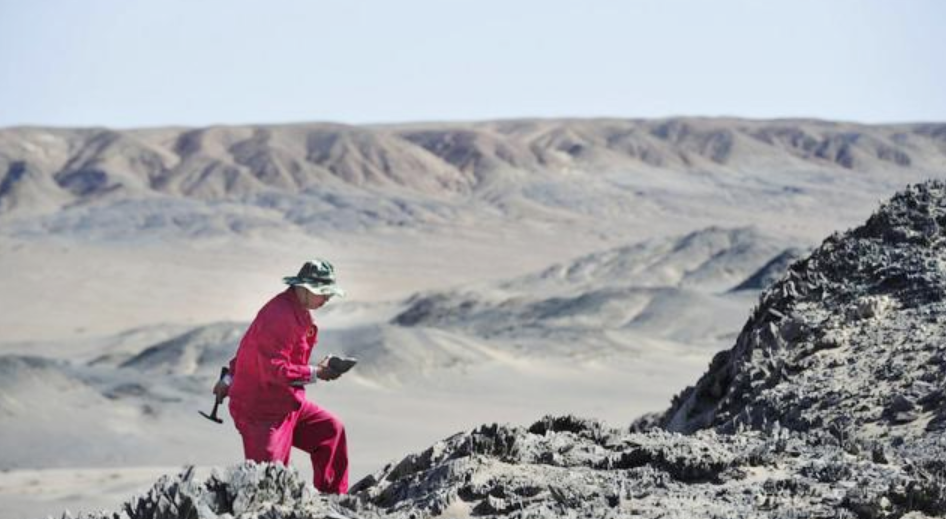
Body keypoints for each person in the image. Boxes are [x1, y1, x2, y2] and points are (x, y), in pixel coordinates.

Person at [212, 259, 350, 494]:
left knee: (331, 431)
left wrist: (228, 379)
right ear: (304, 288)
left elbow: (250, 349)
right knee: (268, 482)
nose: (327, 298)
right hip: (261, 413)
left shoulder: (298, 312)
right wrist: (316, 372)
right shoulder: (278, 316)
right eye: (323, 292)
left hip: (287, 403)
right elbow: (274, 369)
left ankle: (334, 501)